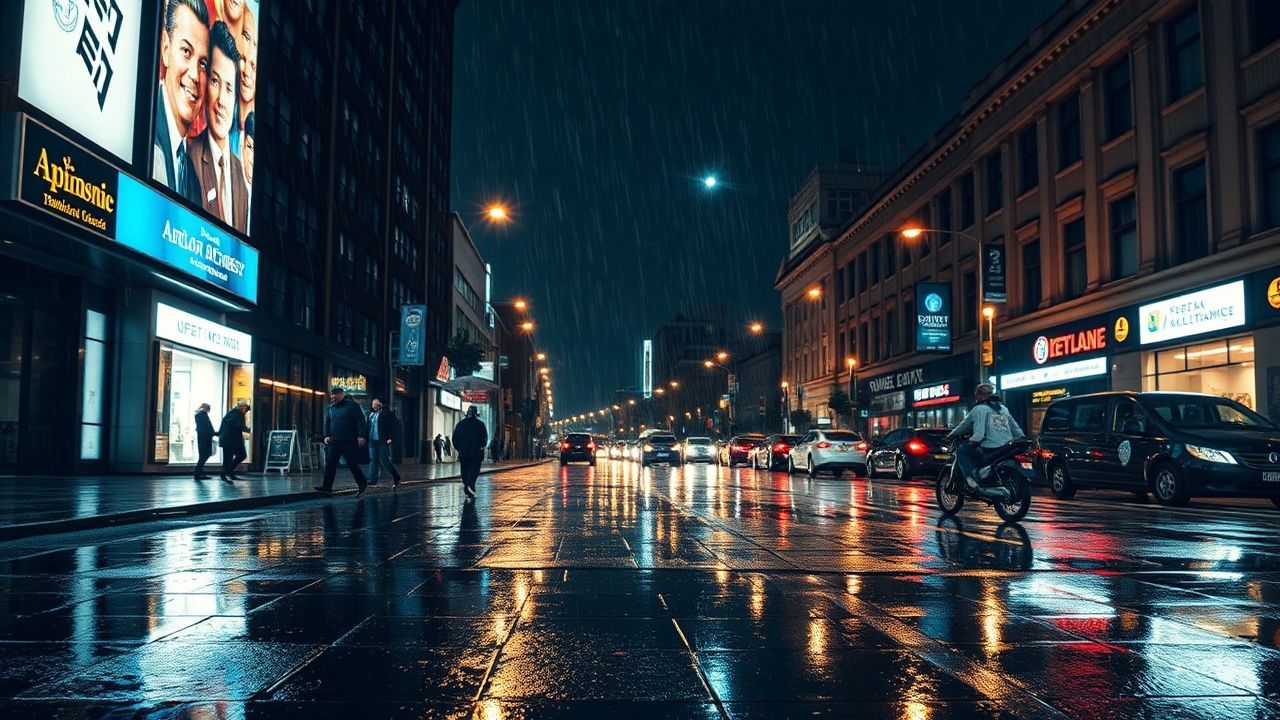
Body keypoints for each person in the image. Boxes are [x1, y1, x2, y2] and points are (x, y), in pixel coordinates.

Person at [188, 21, 250, 233]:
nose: (222, 100)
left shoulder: (241, 180)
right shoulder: (190, 156)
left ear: (235, 99)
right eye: (215, 82)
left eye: (230, 88)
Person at [152, 0, 208, 205]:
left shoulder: (192, 179)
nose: (195, 75)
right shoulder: (142, 132)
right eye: (186, 51)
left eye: (203, 63)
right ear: (166, 49)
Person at [946, 383, 1025, 490]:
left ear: (981, 396)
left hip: (989, 447)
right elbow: (1016, 429)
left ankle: (972, 478)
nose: (976, 397)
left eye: (977, 395)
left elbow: (967, 427)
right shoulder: (1003, 409)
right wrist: (1021, 437)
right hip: (1006, 446)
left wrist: (951, 435)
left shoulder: (979, 409)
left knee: (961, 451)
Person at [315, 387, 369, 496]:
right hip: (334, 441)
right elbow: (328, 423)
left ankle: (362, 482)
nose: (333, 397)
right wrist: (326, 436)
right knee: (330, 463)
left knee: (352, 463)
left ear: (342, 394)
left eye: (336, 394)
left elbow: (361, 421)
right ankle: (327, 487)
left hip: (349, 440)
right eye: (332, 395)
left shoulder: (353, 406)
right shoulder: (330, 408)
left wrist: (361, 436)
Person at [452, 406, 488, 500]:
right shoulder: (480, 424)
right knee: (473, 471)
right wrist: (481, 446)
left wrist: (458, 448)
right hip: (475, 453)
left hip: (464, 453)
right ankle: (470, 486)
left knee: (465, 471)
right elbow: (484, 438)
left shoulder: (461, 424)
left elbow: (455, 438)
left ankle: (468, 486)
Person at [366, 398, 402, 488]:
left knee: (385, 460)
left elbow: (392, 425)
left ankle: (396, 476)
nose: (373, 406)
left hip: (382, 440)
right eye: (372, 404)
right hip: (372, 441)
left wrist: (390, 437)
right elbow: (367, 426)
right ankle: (373, 480)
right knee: (373, 460)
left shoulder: (386, 413)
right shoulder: (371, 414)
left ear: (380, 404)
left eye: (375, 404)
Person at [218, 400, 250, 484]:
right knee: (241, 455)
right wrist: (248, 429)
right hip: (232, 439)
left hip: (227, 439)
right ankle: (225, 472)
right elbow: (236, 425)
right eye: (246, 409)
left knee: (228, 458)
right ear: (243, 407)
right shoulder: (237, 413)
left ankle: (229, 473)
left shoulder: (232, 412)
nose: (246, 411)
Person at [194, 403, 217, 480]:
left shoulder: (199, 415)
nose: (209, 410)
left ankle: (199, 473)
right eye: (208, 408)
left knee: (203, 455)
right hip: (205, 438)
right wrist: (213, 433)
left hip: (203, 437)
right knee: (205, 455)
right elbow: (207, 426)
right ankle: (198, 473)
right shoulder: (202, 415)